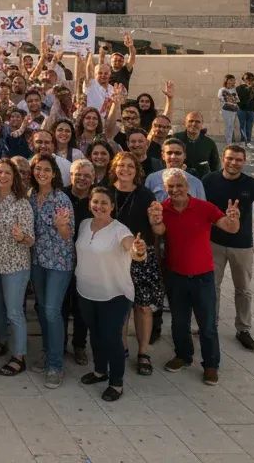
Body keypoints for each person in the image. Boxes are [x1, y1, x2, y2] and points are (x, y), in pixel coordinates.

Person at [148, 168, 241, 384]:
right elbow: (160, 231)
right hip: (176, 276)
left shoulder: (204, 207)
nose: (175, 190)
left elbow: (230, 228)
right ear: (165, 188)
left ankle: (210, 365)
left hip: (202, 276)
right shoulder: (163, 208)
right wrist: (154, 221)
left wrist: (233, 218)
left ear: (188, 187)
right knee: (179, 323)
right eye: (170, 186)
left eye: (179, 185)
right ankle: (183, 356)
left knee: (207, 325)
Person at [75, 187, 148, 402]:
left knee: (111, 337)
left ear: (112, 207)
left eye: (104, 203)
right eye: (95, 202)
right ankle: (100, 371)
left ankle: (116, 382)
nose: (99, 206)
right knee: (95, 334)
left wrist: (138, 249)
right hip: (86, 291)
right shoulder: (84, 225)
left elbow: (133, 250)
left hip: (115, 294)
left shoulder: (120, 230)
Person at [203, 144, 254, 351]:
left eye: (239, 160)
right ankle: (210, 324)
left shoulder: (251, 184)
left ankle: (243, 329)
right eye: (230, 158)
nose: (234, 163)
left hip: (242, 245)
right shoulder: (209, 180)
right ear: (223, 158)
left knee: (244, 289)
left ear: (244, 161)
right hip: (214, 243)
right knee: (212, 287)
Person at [107, 152, 160, 376]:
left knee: (143, 306)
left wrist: (157, 221)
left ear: (136, 170)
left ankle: (144, 352)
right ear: (114, 168)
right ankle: (122, 347)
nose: (125, 170)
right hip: (114, 257)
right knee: (120, 307)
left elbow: (157, 230)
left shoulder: (146, 195)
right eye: (121, 165)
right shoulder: (106, 192)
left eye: (130, 166)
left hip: (141, 256)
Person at [0, 159, 33, 376]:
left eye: (7, 173)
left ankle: (19, 356)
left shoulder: (22, 203)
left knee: (14, 311)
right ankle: (1, 341)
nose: (2, 176)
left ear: (14, 178)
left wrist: (22, 237)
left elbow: (31, 240)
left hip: (15, 265)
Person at [29, 152, 75, 388]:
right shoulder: (30, 196)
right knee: (41, 308)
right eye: (38, 169)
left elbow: (68, 237)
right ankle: (48, 352)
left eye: (47, 170)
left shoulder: (61, 199)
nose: (42, 173)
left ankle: (56, 365)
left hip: (58, 263)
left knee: (51, 310)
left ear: (54, 173)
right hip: (37, 261)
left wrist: (61, 226)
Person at [236, 72, 254, 149]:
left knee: (249, 127)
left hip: (252, 111)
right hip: (241, 110)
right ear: (244, 79)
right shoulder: (238, 88)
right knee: (242, 126)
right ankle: (243, 141)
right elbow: (236, 100)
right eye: (247, 78)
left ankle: (248, 142)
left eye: (251, 78)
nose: (249, 80)